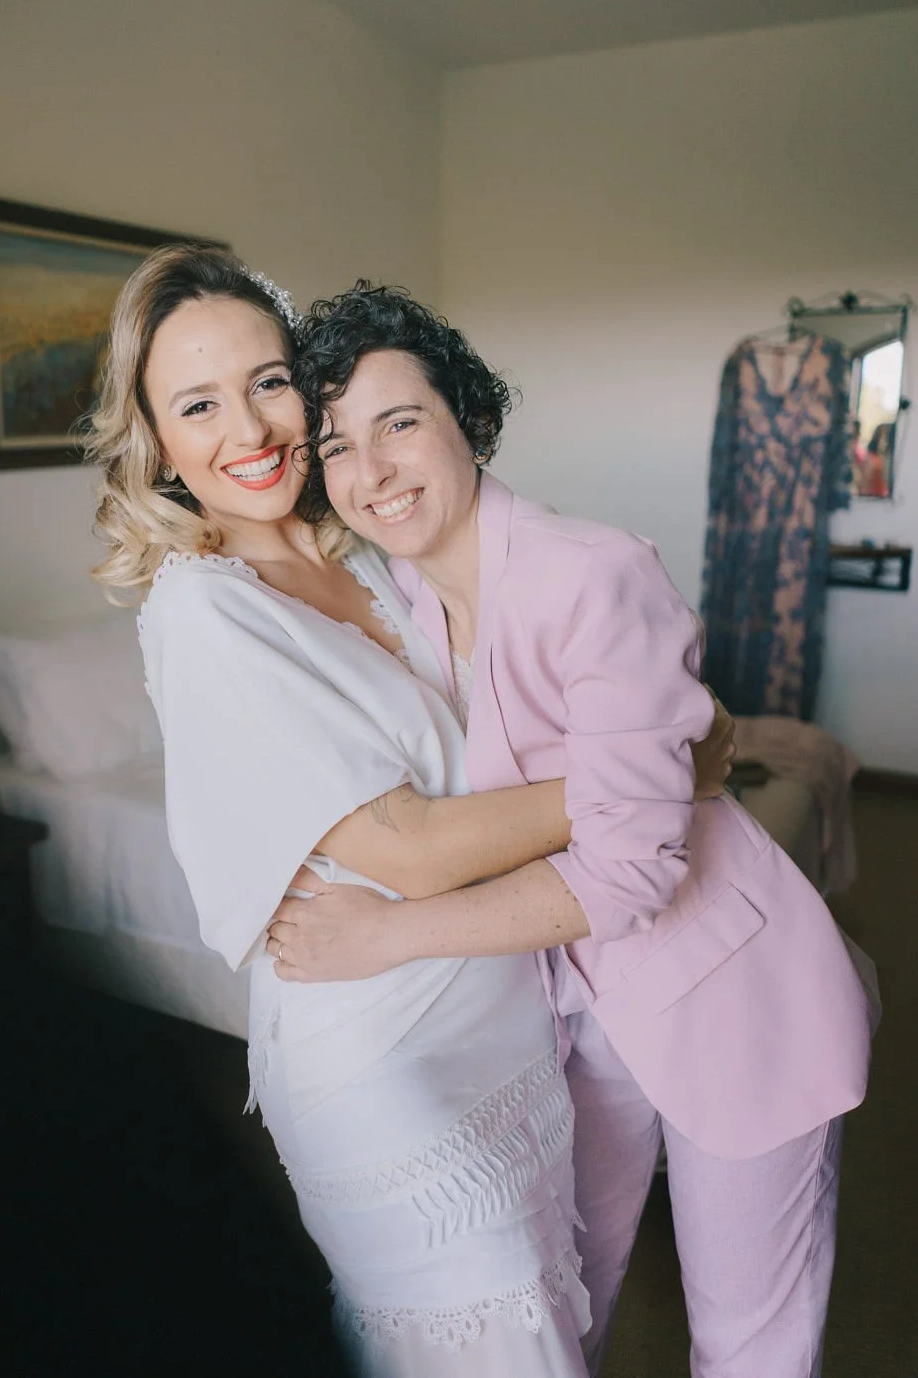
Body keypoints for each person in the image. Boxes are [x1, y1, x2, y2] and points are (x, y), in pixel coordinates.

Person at [271, 283, 878, 1378]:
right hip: (568, 1007)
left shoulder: (591, 573)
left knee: (750, 1342)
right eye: (338, 445)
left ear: (469, 420)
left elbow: (631, 868)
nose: (374, 470)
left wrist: (384, 933)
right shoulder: (401, 596)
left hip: (727, 989)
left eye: (400, 422)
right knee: (560, 1305)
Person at [86, 244, 601, 1378]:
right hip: (382, 1056)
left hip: (503, 1015)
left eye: (269, 383)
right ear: (155, 439)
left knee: (546, 1315)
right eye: (199, 404)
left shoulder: (362, 556)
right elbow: (406, 849)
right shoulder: (203, 611)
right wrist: (641, 777)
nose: (250, 430)